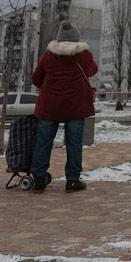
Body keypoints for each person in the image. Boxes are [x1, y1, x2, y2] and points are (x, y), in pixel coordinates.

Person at [30, 21, 98, 193]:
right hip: (75, 106)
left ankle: (38, 178)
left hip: (49, 106)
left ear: (59, 38)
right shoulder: (84, 55)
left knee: (43, 142)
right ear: (76, 38)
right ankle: (72, 180)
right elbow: (92, 70)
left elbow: (36, 78)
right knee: (74, 143)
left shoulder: (48, 55)